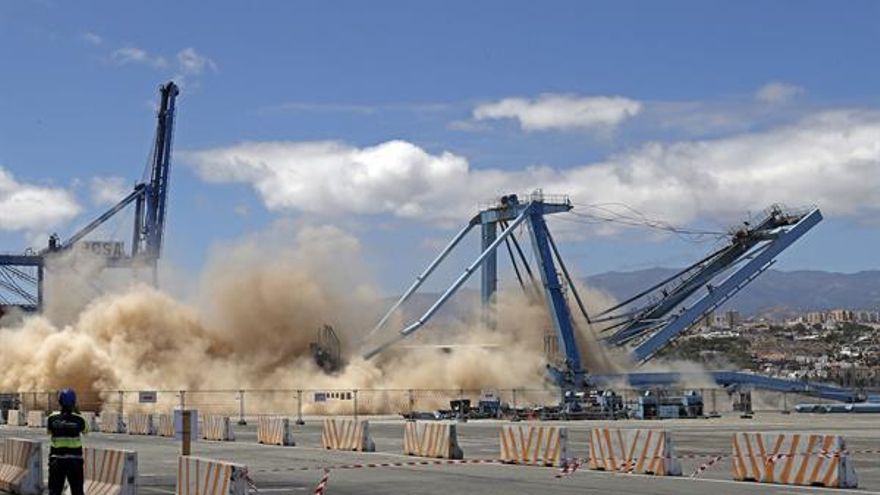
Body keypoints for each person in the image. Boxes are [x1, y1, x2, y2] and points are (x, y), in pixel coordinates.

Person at [46, 388, 89, 495]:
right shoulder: (80, 419)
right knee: (77, 490)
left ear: (60, 402)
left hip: (56, 460)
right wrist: (77, 413)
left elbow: (49, 432)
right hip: (75, 460)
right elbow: (86, 431)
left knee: (54, 491)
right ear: (74, 402)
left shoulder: (52, 418)